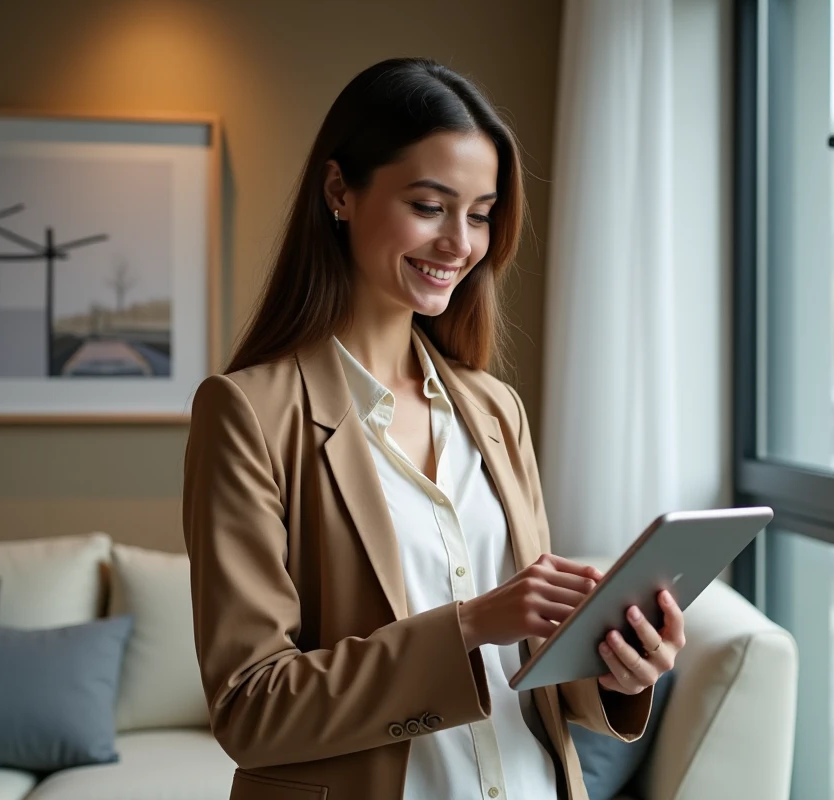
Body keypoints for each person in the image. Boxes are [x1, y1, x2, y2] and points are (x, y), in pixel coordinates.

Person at [182, 57, 685, 800]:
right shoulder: (248, 415)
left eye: (480, 214)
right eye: (429, 205)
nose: (460, 242)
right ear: (338, 193)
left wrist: (616, 668)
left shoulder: (494, 409)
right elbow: (251, 708)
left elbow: (534, 677)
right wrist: (470, 624)